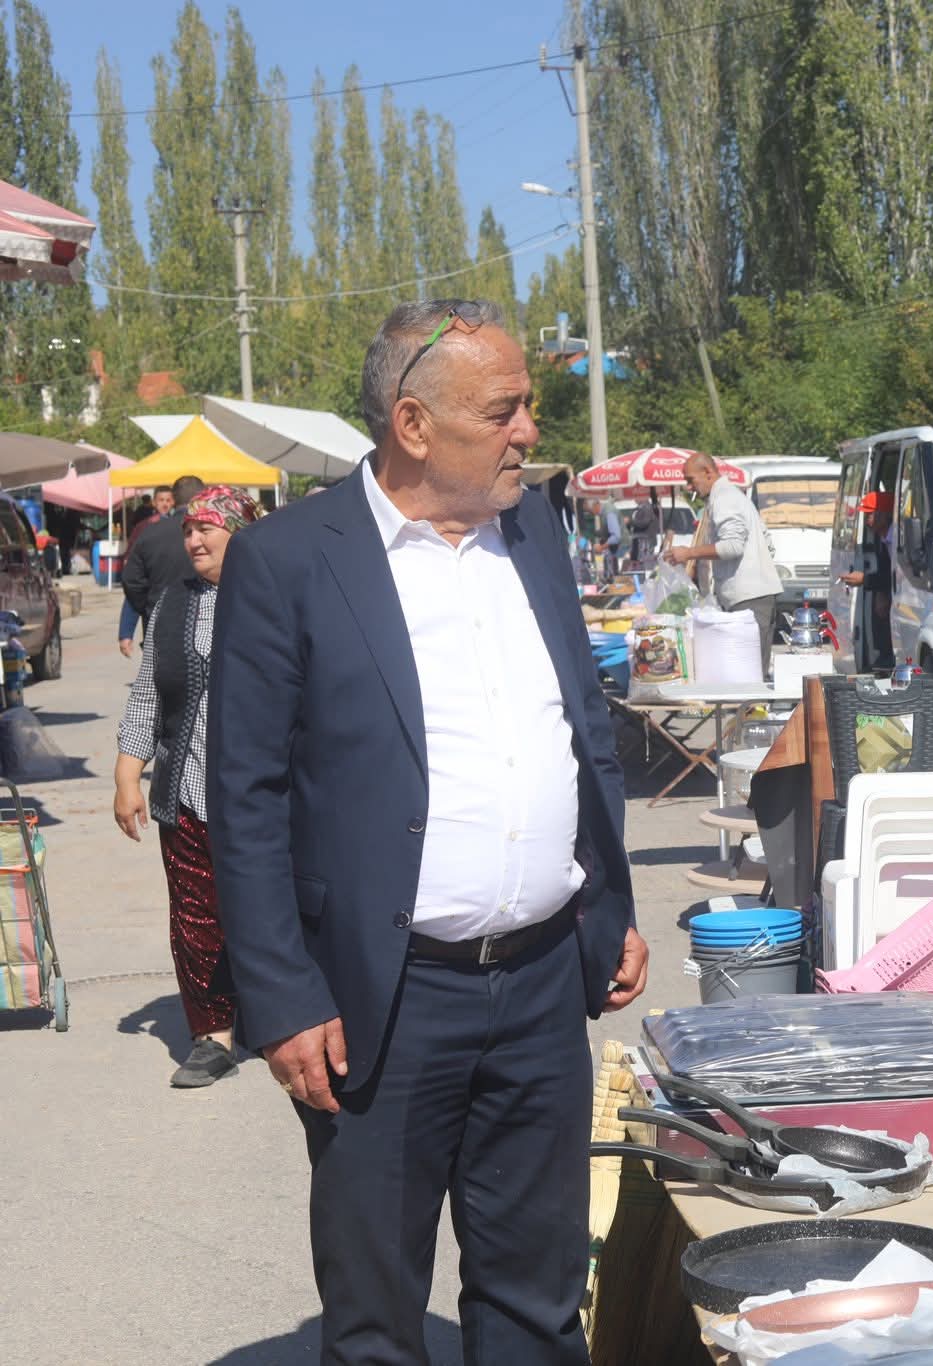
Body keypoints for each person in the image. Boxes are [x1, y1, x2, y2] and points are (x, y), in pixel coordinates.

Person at [208, 298, 648, 1365]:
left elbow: (578, 725)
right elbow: (248, 794)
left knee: (538, 1299)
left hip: (544, 984)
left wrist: (608, 903)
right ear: (413, 424)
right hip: (382, 1001)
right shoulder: (289, 559)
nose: (530, 432)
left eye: (528, 407)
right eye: (505, 410)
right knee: (376, 1318)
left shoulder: (532, 527)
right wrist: (283, 997)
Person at [112, 486, 260, 1088]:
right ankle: (213, 1033)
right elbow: (148, 692)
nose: (194, 541)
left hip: (263, 795)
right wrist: (128, 775)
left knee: (268, 912)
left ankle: (279, 1011)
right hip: (187, 789)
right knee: (196, 914)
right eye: (188, 531)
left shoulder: (274, 599)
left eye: (207, 530)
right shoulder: (172, 602)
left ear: (239, 531)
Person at [666, 451, 782, 678]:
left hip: (749, 598)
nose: (689, 487)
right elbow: (767, 543)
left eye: (691, 480)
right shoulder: (732, 497)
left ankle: (751, 712)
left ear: (708, 473)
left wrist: (689, 553)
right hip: (753, 594)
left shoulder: (725, 499)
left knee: (748, 675)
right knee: (750, 673)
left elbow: (732, 546)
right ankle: (750, 711)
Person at [120, 478, 202, 658]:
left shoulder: (148, 533)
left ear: (174, 499)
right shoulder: (212, 531)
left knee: (162, 682)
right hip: (202, 628)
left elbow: (132, 580)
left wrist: (149, 606)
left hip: (159, 628)